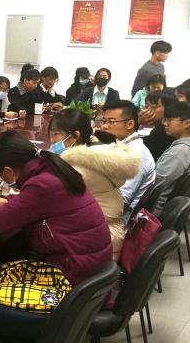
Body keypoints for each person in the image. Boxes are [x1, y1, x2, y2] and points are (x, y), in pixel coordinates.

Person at [0, 130, 113, 286]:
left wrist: (9, 206)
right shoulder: (51, 167)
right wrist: (9, 202)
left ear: (8, 171)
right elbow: (40, 203)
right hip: (90, 270)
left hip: (72, 277)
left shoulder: (42, 185)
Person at [49, 109, 140, 259]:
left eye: (55, 134)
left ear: (75, 136)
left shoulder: (78, 169)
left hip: (94, 245)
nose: (52, 140)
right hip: (109, 235)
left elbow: (47, 200)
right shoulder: (102, 156)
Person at [152, 102, 190, 214]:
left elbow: (154, 186)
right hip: (167, 208)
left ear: (186, 123)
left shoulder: (179, 153)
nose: (165, 124)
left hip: (151, 211)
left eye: (169, 120)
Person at [100, 100, 156, 222]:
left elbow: (122, 199)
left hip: (118, 218)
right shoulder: (121, 144)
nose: (104, 126)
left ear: (130, 124)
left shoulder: (136, 154)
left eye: (111, 122)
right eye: (104, 121)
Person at [140, 90, 176, 162]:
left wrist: (138, 123)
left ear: (168, 109)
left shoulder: (164, 130)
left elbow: (139, 149)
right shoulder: (159, 128)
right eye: (146, 106)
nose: (148, 110)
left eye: (154, 107)